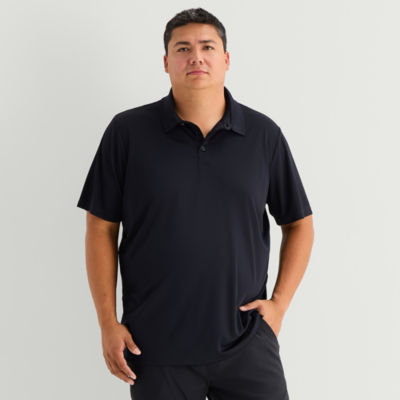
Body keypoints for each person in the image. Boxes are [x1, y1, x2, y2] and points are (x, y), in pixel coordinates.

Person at [77, 7, 314, 400]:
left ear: (226, 59)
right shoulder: (127, 133)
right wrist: (107, 322)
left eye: (207, 47)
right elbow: (101, 227)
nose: (196, 57)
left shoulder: (263, 135)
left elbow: (299, 223)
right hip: (154, 346)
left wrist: (280, 304)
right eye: (183, 49)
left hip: (246, 343)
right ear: (166, 62)